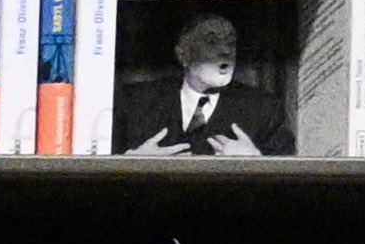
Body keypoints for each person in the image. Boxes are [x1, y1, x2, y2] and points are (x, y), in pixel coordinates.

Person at [121, 10, 283, 156]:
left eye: (231, 43)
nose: (225, 51)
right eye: (211, 42)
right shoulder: (137, 101)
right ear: (183, 55)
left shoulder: (264, 108)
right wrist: (132, 162)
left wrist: (255, 160)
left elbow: (287, 178)